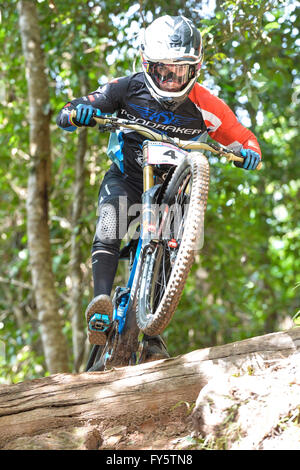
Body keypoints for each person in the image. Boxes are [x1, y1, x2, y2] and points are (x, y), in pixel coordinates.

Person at [57, 15, 262, 362]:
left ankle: (154, 334)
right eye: (162, 71)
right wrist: (77, 113)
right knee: (110, 222)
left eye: (179, 72)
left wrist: (249, 154)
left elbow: (245, 139)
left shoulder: (205, 104)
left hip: (171, 188)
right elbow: (72, 108)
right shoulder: (125, 87)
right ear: (146, 65)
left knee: (177, 244)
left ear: (194, 70)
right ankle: (100, 306)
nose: (170, 81)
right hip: (129, 176)